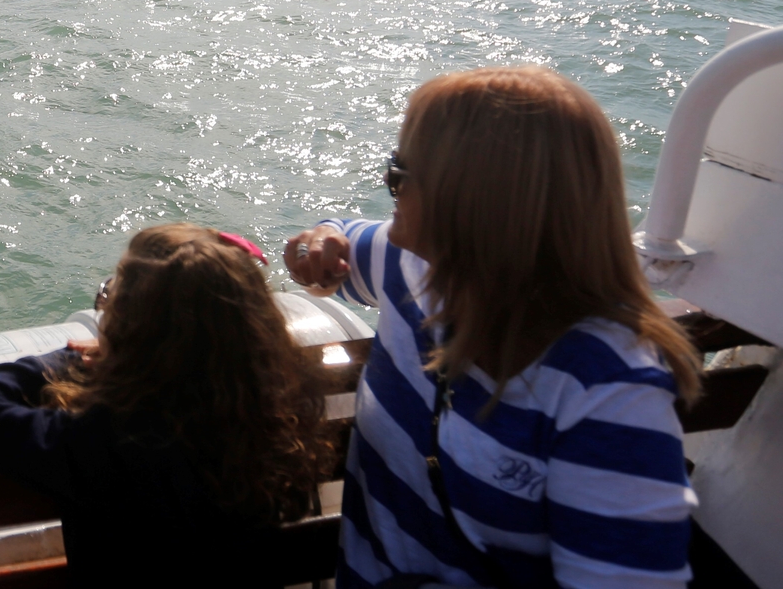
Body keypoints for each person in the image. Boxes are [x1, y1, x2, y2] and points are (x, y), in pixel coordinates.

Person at [285, 66, 701, 589]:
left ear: (468, 205)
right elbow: (336, 247)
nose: (389, 186)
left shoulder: (607, 393)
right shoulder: (411, 265)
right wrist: (319, 240)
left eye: (398, 171)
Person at [0, 223, 336, 587]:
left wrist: (68, 359)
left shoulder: (105, 439)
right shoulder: (273, 422)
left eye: (109, 298)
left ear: (131, 330)